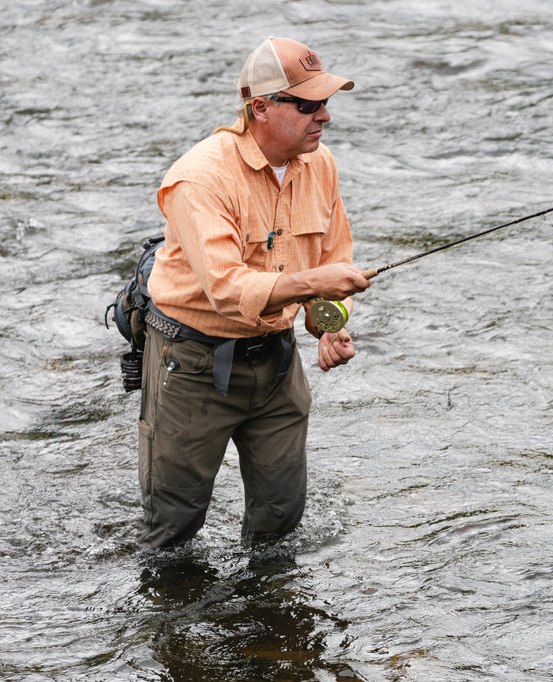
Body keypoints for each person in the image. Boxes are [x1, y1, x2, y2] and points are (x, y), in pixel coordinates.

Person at [136, 37, 371, 548]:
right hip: (193, 363)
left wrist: (329, 321)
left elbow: (332, 264)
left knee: (281, 520)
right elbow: (226, 288)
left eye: (327, 102)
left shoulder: (321, 164)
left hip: (278, 362)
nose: (325, 116)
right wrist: (315, 285)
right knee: (172, 528)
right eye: (309, 105)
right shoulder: (199, 178)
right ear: (260, 108)